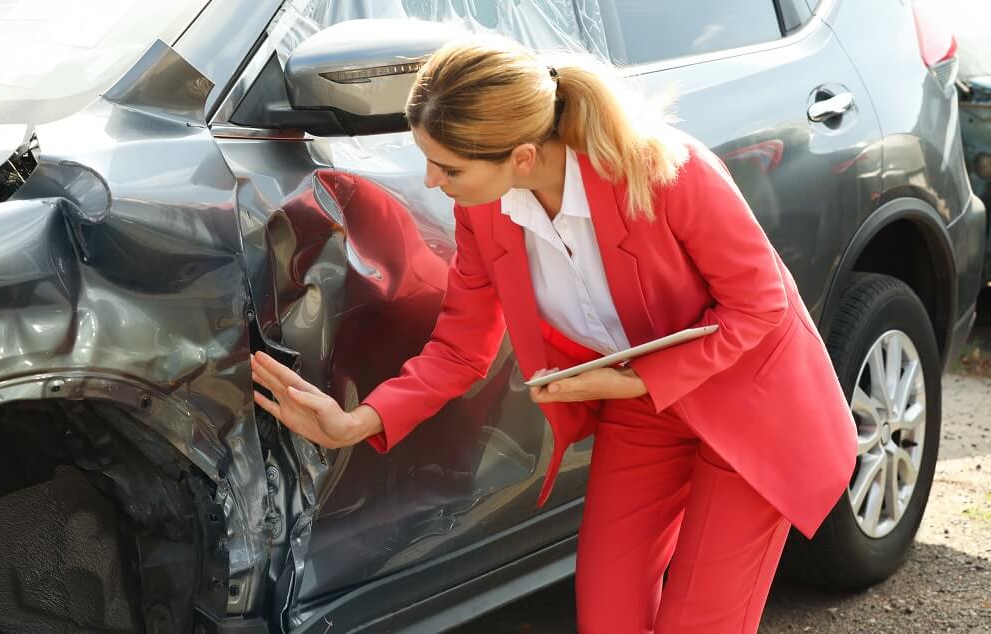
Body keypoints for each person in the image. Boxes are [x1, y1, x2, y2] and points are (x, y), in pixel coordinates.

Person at [250, 34, 858, 633]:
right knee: (606, 614)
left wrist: (633, 380)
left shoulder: (669, 170)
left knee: (700, 621)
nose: (431, 181)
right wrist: (357, 421)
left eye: (448, 166)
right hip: (641, 411)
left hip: (749, 402)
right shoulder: (483, 211)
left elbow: (759, 306)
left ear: (520, 155)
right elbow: (461, 348)